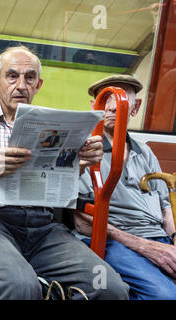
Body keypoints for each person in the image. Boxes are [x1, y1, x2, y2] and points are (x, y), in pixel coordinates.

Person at [0, 45, 129, 300]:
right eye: (12, 76)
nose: (21, 85)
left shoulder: (54, 124)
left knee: (110, 288)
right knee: (21, 287)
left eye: (29, 77)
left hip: (44, 227)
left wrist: (80, 164)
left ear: (38, 84)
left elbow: (57, 191)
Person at [74, 75, 176, 300]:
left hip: (159, 236)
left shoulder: (145, 152)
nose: (112, 107)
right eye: (106, 99)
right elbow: (81, 218)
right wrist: (146, 246)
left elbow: (165, 206)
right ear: (95, 107)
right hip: (116, 241)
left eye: (121, 98)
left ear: (135, 107)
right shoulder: (84, 150)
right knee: (165, 296)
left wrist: (174, 240)